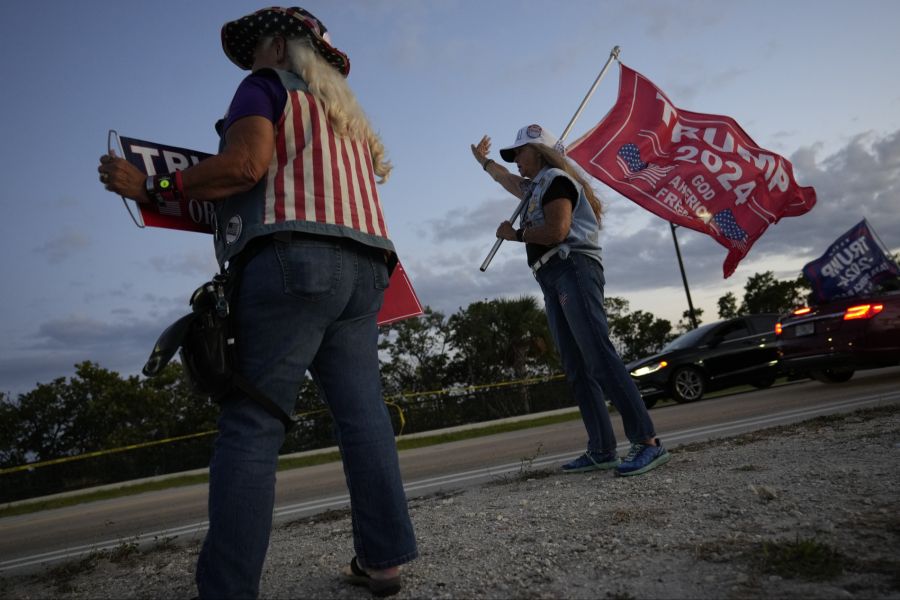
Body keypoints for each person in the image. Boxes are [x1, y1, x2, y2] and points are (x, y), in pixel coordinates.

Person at [98, 7, 416, 598]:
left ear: (276, 44)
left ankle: (228, 587)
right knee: (363, 416)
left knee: (251, 422)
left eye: (253, 49)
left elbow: (245, 165)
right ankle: (385, 560)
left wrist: (153, 186)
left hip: (292, 260)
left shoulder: (263, 86)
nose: (248, 61)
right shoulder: (347, 119)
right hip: (368, 265)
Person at [470, 124, 671, 478]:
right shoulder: (534, 189)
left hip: (572, 267)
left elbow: (557, 231)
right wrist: (483, 162)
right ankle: (601, 450)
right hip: (551, 276)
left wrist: (515, 234)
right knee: (578, 367)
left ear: (540, 152)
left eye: (520, 152)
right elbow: (504, 179)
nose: (516, 159)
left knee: (597, 353)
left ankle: (648, 442)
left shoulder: (557, 182)